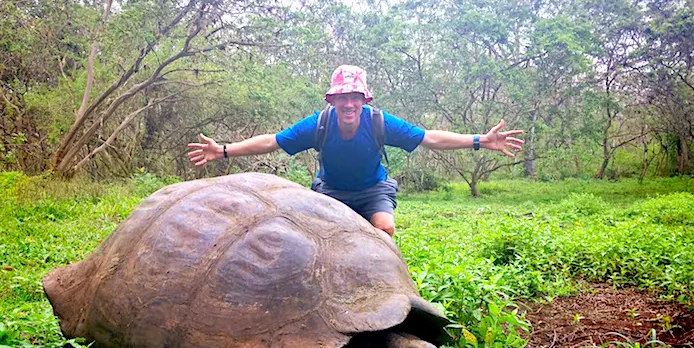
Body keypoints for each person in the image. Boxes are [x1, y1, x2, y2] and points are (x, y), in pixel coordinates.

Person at [187, 65, 523, 237]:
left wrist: (480, 140)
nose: (349, 103)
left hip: (371, 190)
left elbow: (429, 139)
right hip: (330, 191)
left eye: (355, 97)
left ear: (364, 100)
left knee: (385, 230)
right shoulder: (318, 124)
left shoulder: (379, 122)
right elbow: (272, 141)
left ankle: (393, 289)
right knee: (310, 238)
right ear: (332, 100)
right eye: (342, 98)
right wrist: (224, 150)